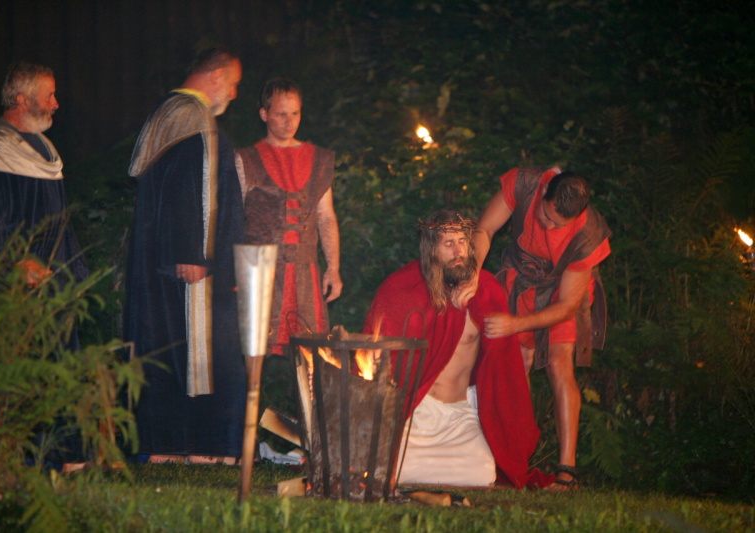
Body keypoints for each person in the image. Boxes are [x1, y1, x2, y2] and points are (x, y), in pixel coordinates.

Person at [363, 209, 553, 488]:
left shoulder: (487, 291)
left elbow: (503, 367)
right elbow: (374, 357)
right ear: (431, 249)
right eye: (449, 243)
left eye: (463, 241)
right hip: (416, 412)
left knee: (482, 475)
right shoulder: (402, 289)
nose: (459, 251)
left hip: (460, 415)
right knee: (389, 470)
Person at [0, 61, 89, 471]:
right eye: (49, 95)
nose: (56, 103)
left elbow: (60, 221)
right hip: (15, 287)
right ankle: (23, 457)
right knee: (22, 371)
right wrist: (14, 263)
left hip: (54, 281)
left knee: (60, 366)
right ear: (21, 100)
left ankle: (66, 454)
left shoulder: (46, 151)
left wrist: (76, 272)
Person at [124, 46, 246, 464]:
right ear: (216, 76)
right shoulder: (189, 115)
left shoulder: (175, 112)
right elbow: (186, 189)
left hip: (179, 261)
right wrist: (193, 252)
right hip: (191, 263)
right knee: (190, 347)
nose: (233, 93)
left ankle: (175, 443)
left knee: (172, 343)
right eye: (233, 83)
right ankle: (194, 444)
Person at [463, 167, 611, 491]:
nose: (549, 227)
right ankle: (512, 460)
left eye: (559, 224)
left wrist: (515, 324)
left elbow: (568, 306)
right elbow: (485, 228)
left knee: (559, 364)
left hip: (561, 293)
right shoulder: (525, 184)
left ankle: (567, 471)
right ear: (544, 193)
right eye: (546, 216)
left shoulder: (587, 235)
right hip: (520, 281)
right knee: (516, 365)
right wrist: (472, 273)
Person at [235, 78, 342, 355]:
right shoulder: (246, 158)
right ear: (264, 114)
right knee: (254, 350)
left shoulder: (318, 159)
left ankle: (310, 387)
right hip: (260, 269)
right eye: (281, 114)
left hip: (305, 269)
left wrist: (333, 268)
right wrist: (232, 271)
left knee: (312, 351)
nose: (290, 121)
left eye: (295, 113)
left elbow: (325, 217)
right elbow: (233, 217)